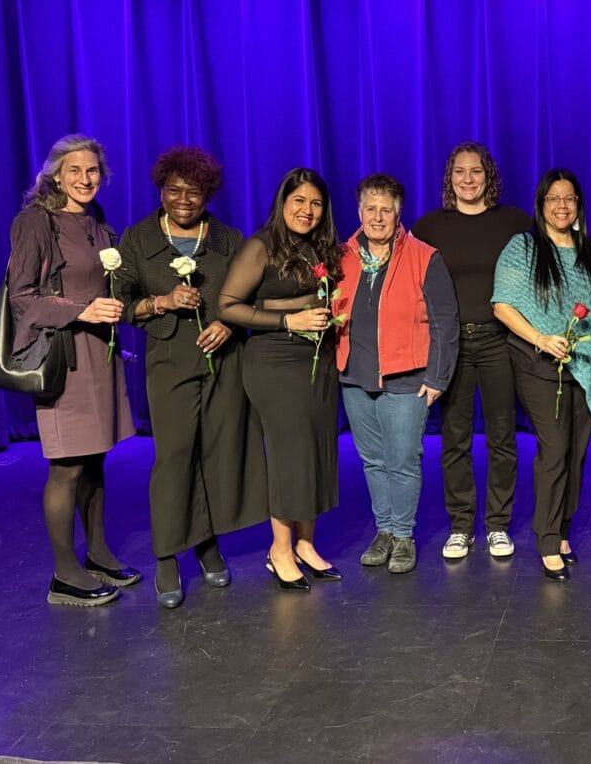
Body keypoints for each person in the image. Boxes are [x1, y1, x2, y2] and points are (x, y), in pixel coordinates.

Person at [115, 146, 269, 608]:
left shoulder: (227, 238)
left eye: (194, 192)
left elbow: (251, 295)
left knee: (216, 452)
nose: (183, 200)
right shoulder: (139, 239)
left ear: (208, 195)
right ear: (160, 190)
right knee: (175, 456)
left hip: (222, 361)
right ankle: (167, 555)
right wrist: (159, 302)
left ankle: (206, 543)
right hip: (169, 359)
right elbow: (119, 302)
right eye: (174, 190)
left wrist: (228, 324)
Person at [8, 134, 137, 606]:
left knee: (96, 459)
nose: (85, 179)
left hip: (99, 353)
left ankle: (98, 553)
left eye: (93, 170)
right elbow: (23, 298)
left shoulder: (96, 220)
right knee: (67, 467)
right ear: (56, 176)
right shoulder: (34, 221)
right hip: (63, 356)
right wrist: (82, 311)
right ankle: (64, 575)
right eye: (75, 170)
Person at [218, 168, 344, 591]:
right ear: (282, 203)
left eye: (316, 203)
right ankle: (280, 549)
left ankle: (306, 544)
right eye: (299, 201)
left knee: (315, 450)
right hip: (275, 362)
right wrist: (289, 319)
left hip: (318, 361)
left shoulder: (320, 248)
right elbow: (228, 306)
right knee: (290, 455)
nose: (307, 210)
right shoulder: (261, 246)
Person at [492, 169, 591, 581]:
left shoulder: (590, 250)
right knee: (555, 449)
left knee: (576, 452)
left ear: (578, 204)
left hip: (586, 365)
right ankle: (546, 539)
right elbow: (503, 305)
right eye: (553, 198)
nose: (562, 206)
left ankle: (563, 530)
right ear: (541, 203)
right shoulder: (523, 247)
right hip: (539, 366)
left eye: (570, 198)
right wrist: (542, 339)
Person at [334, 174, 459, 575]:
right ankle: (384, 530)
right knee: (372, 461)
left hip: (407, 378)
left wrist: (437, 377)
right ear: (359, 212)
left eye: (385, 210)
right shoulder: (342, 256)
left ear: (398, 213)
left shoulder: (424, 257)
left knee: (402, 460)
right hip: (355, 376)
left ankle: (404, 535)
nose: (377, 217)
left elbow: (445, 322)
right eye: (370, 209)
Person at [413, 143, 530, 561]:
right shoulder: (429, 227)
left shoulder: (514, 223)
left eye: (476, 171)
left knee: (502, 437)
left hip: (501, 342)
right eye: (459, 171)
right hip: (452, 346)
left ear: (488, 176)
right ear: (449, 177)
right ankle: (461, 526)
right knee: (455, 439)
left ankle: (497, 525)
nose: (467, 179)